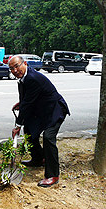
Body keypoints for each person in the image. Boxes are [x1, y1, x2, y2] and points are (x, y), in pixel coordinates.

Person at [9, 55, 70, 187]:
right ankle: (38, 159)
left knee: (48, 138)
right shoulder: (23, 78)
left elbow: (28, 102)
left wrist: (17, 125)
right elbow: (28, 99)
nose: (15, 70)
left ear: (24, 63)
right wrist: (22, 104)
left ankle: (53, 175)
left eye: (17, 66)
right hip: (41, 109)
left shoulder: (32, 78)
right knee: (30, 131)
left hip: (55, 110)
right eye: (11, 68)